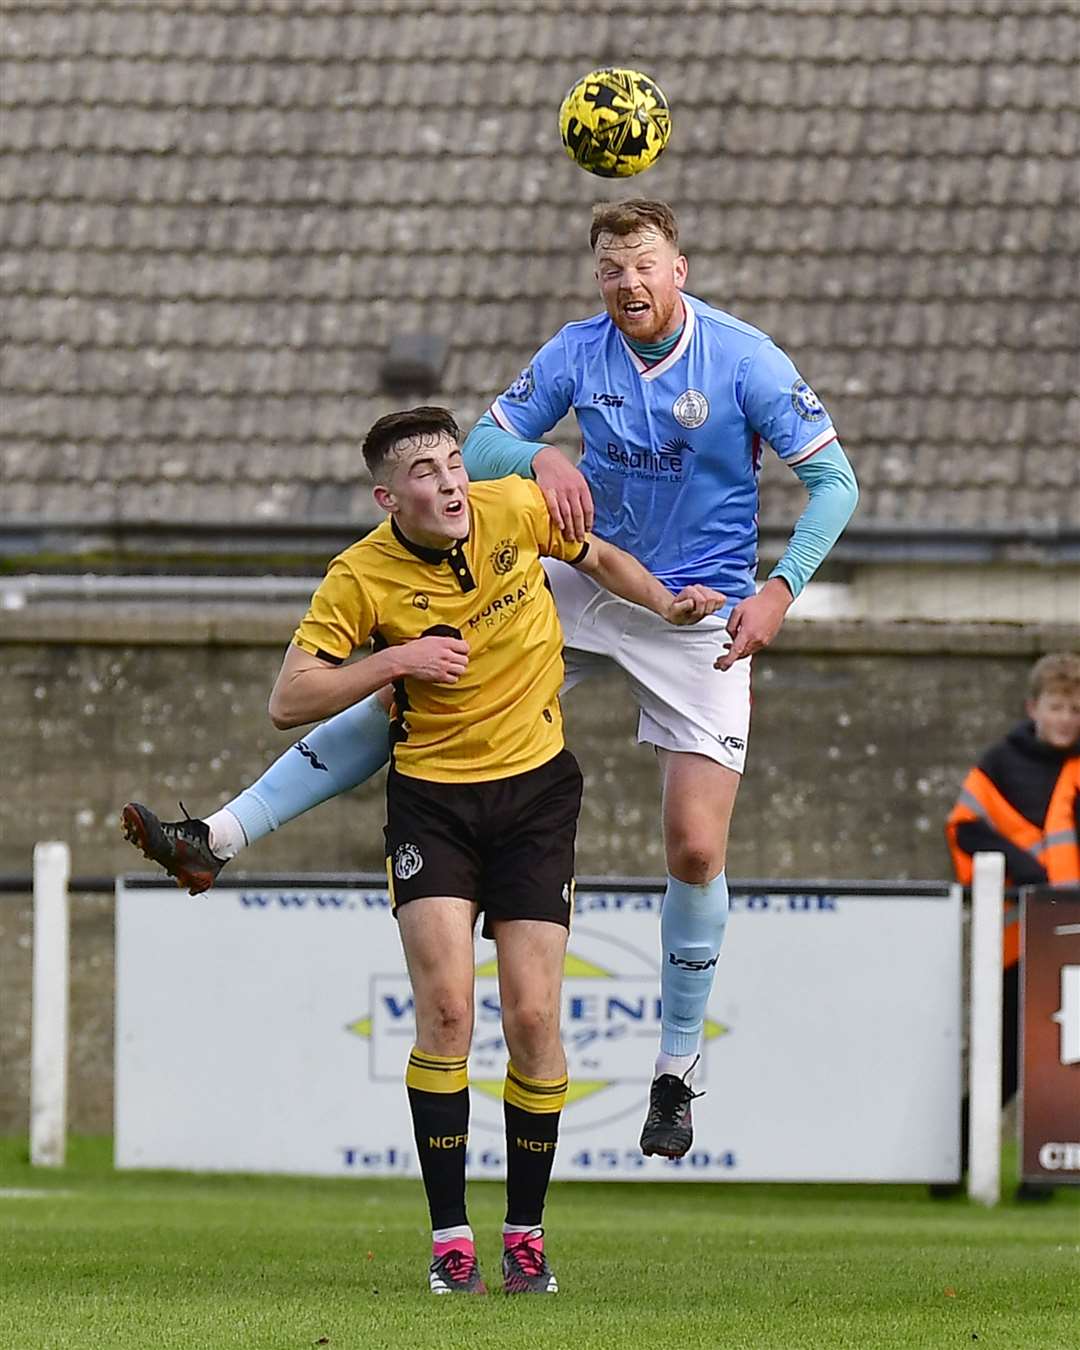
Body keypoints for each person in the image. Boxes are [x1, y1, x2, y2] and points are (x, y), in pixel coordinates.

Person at [121, 198, 859, 1160]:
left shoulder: (745, 359)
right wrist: (544, 454)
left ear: (680, 268)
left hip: (697, 615)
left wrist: (780, 590)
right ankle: (217, 835)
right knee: (420, 689)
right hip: (585, 580)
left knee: (691, 848)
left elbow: (834, 482)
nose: (628, 284)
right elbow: (480, 444)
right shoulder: (576, 351)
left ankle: (678, 1069)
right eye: (610, 270)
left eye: (644, 265)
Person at [129, 406, 725, 1294]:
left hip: (535, 796)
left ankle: (526, 1237)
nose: (449, 482)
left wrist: (664, 601)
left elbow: (593, 555)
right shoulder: (360, 576)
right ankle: (452, 1241)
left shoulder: (514, 509)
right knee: (446, 1014)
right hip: (433, 804)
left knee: (532, 1020)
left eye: (453, 464)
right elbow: (290, 697)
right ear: (387, 495)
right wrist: (395, 662)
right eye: (426, 473)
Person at [945, 650, 1080, 1108]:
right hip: (1021, 932)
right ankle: (958, 1152)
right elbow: (966, 826)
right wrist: (1028, 871)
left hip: (1074, 930)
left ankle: (1045, 1171)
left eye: (1076, 710)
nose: (1065, 719)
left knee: (1065, 1053)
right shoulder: (1003, 761)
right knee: (1006, 1052)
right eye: (1056, 707)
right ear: (1033, 708)